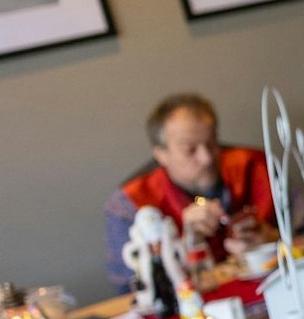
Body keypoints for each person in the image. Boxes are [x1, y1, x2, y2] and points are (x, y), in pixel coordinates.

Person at [105, 93, 275, 293]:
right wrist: (184, 249)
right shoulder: (129, 203)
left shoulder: (257, 167)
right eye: (190, 149)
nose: (207, 158)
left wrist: (273, 241)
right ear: (161, 154)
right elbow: (129, 289)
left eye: (212, 143)